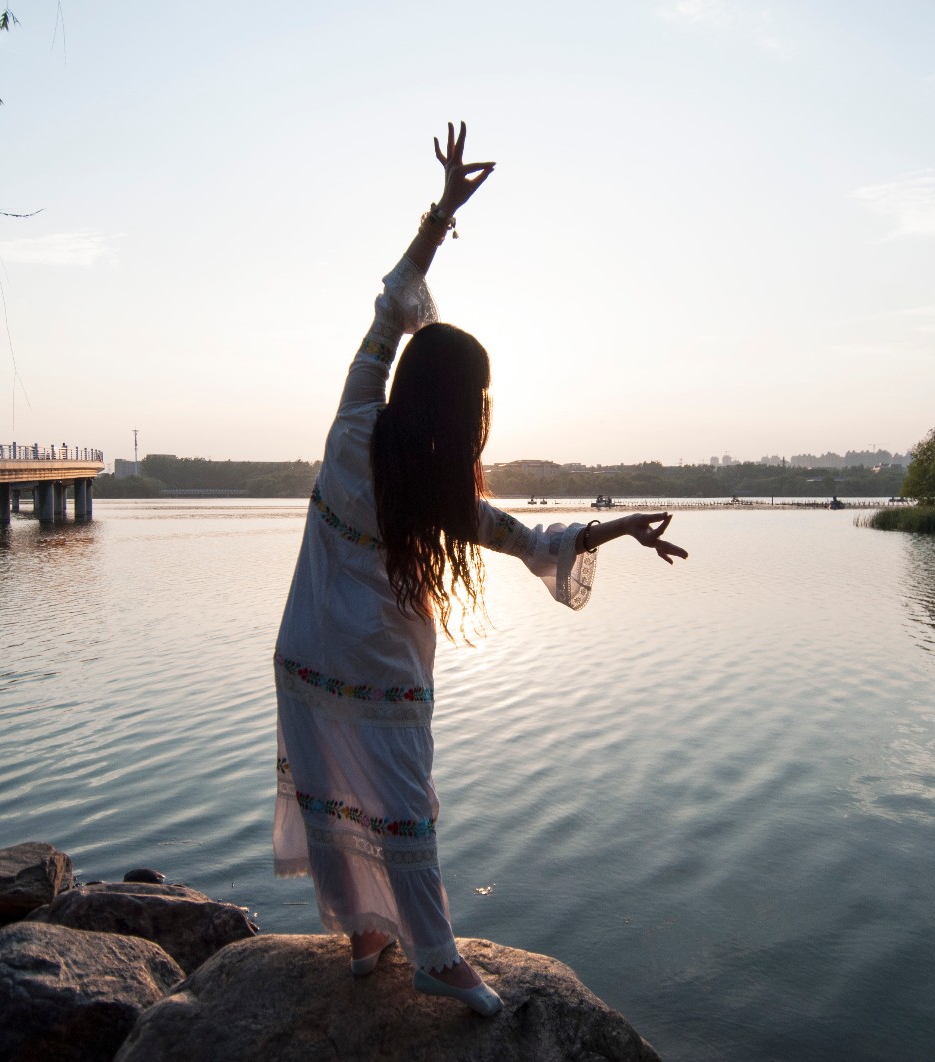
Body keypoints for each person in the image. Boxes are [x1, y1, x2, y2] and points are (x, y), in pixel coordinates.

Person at [272, 122, 687, 1018]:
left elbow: (389, 308)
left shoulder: (354, 424)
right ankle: (436, 957)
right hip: (378, 673)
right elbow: (534, 540)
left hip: (306, 653)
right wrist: (615, 528)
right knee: (405, 807)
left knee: (339, 794)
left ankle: (367, 935)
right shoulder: (437, 493)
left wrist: (439, 216)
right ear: (464, 412)